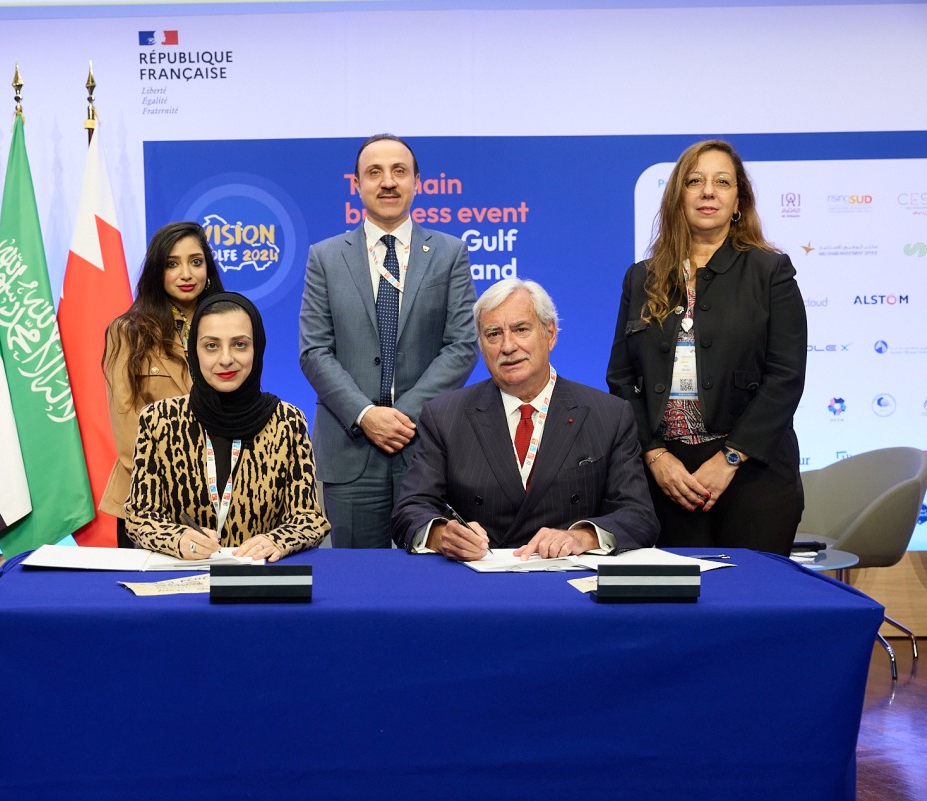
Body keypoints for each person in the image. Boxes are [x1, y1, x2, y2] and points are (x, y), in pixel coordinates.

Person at [606, 139, 807, 555]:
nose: (708, 191)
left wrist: (730, 459)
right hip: (666, 478)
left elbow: (785, 378)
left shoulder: (771, 272)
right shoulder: (641, 277)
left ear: (738, 200)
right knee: (677, 612)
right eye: (695, 181)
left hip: (754, 475)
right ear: (678, 196)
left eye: (722, 181)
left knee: (750, 606)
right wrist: (655, 456)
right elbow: (622, 378)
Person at [392, 278, 658, 560]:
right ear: (481, 346)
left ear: (550, 334)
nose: (508, 346)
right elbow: (409, 511)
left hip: (569, 582)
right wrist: (442, 535)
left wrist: (581, 537)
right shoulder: (444, 415)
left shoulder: (609, 414)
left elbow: (639, 516)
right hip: (477, 582)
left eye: (521, 329)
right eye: (493, 334)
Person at [299, 134, 478, 548]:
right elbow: (314, 351)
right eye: (374, 172)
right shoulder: (324, 257)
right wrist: (366, 415)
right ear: (356, 185)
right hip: (350, 447)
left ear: (418, 181)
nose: (388, 182)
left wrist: (401, 417)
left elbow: (461, 346)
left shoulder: (450, 253)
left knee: (430, 583)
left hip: (426, 447)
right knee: (355, 585)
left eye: (399, 171)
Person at [125, 292, 330, 560]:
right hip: (181, 582)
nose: (225, 359)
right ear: (193, 350)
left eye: (240, 345)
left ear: (258, 348)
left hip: (260, 584)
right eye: (211, 346)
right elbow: (138, 516)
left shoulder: (287, 421)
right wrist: (175, 539)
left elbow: (309, 519)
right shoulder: (159, 420)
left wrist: (277, 540)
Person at [100, 221, 225, 547]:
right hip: (148, 503)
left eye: (196, 262)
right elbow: (129, 432)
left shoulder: (229, 326)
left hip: (220, 498)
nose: (186, 274)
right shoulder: (128, 332)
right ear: (157, 271)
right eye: (173, 264)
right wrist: (179, 490)